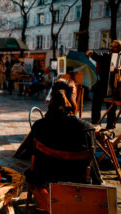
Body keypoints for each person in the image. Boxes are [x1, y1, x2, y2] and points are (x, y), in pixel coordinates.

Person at [25, 79, 101, 212]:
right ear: (73, 99)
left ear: (52, 98)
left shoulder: (39, 126)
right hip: (77, 181)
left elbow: (34, 161)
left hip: (46, 179)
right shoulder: (87, 130)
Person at [86, 40, 121, 129]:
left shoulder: (114, 57)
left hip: (108, 86)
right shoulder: (112, 56)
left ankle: (98, 126)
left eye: (114, 47)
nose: (111, 48)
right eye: (111, 46)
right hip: (111, 86)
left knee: (102, 107)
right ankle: (105, 126)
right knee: (107, 108)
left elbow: (101, 57)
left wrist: (92, 53)